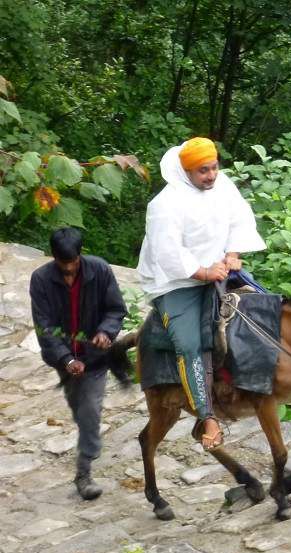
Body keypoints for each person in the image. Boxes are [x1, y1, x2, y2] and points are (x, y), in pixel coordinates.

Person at [137, 137, 266, 450]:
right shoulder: (165, 205)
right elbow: (168, 253)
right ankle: (207, 416)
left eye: (214, 167)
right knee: (189, 343)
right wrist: (204, 272)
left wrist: (233, 254)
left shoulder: (222, 186)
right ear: (186, 171)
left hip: (220, 270)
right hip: (178, 283)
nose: (211, 175)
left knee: (264, 306)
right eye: (202, 171)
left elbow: (239, 218)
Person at [29, 227, 126, 500]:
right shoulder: (41, 280)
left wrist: (106, 332)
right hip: (63, 358)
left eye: (72, 263)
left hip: (95, 359)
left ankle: (84, 473)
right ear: (54, 258)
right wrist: (66, 359)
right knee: (79, 408)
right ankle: (88, 436)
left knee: (89, 410)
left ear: (80, 255)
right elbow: (44, 327)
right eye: (63, 264)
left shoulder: (100, 270)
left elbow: (116, 309)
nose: (69, 270)